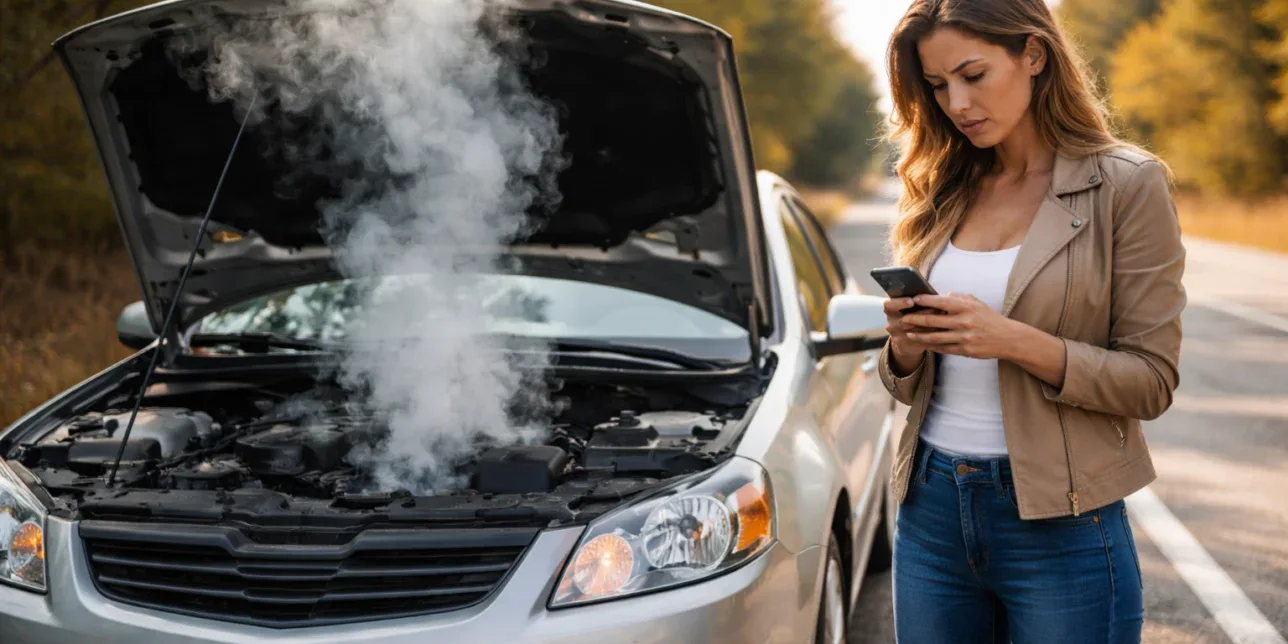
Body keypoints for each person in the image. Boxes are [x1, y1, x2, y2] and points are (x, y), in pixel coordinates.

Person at [877, 0, 1186, 642]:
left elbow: (1151, 381)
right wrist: (905, 347)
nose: (957, 103)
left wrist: (1012, 342)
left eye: (973, 74)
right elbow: (907, 384)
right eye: (937, 86)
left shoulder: (1127, 185)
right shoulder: (944, 186)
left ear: (1034, 55)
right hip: (930, 508)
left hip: (1061, 523)